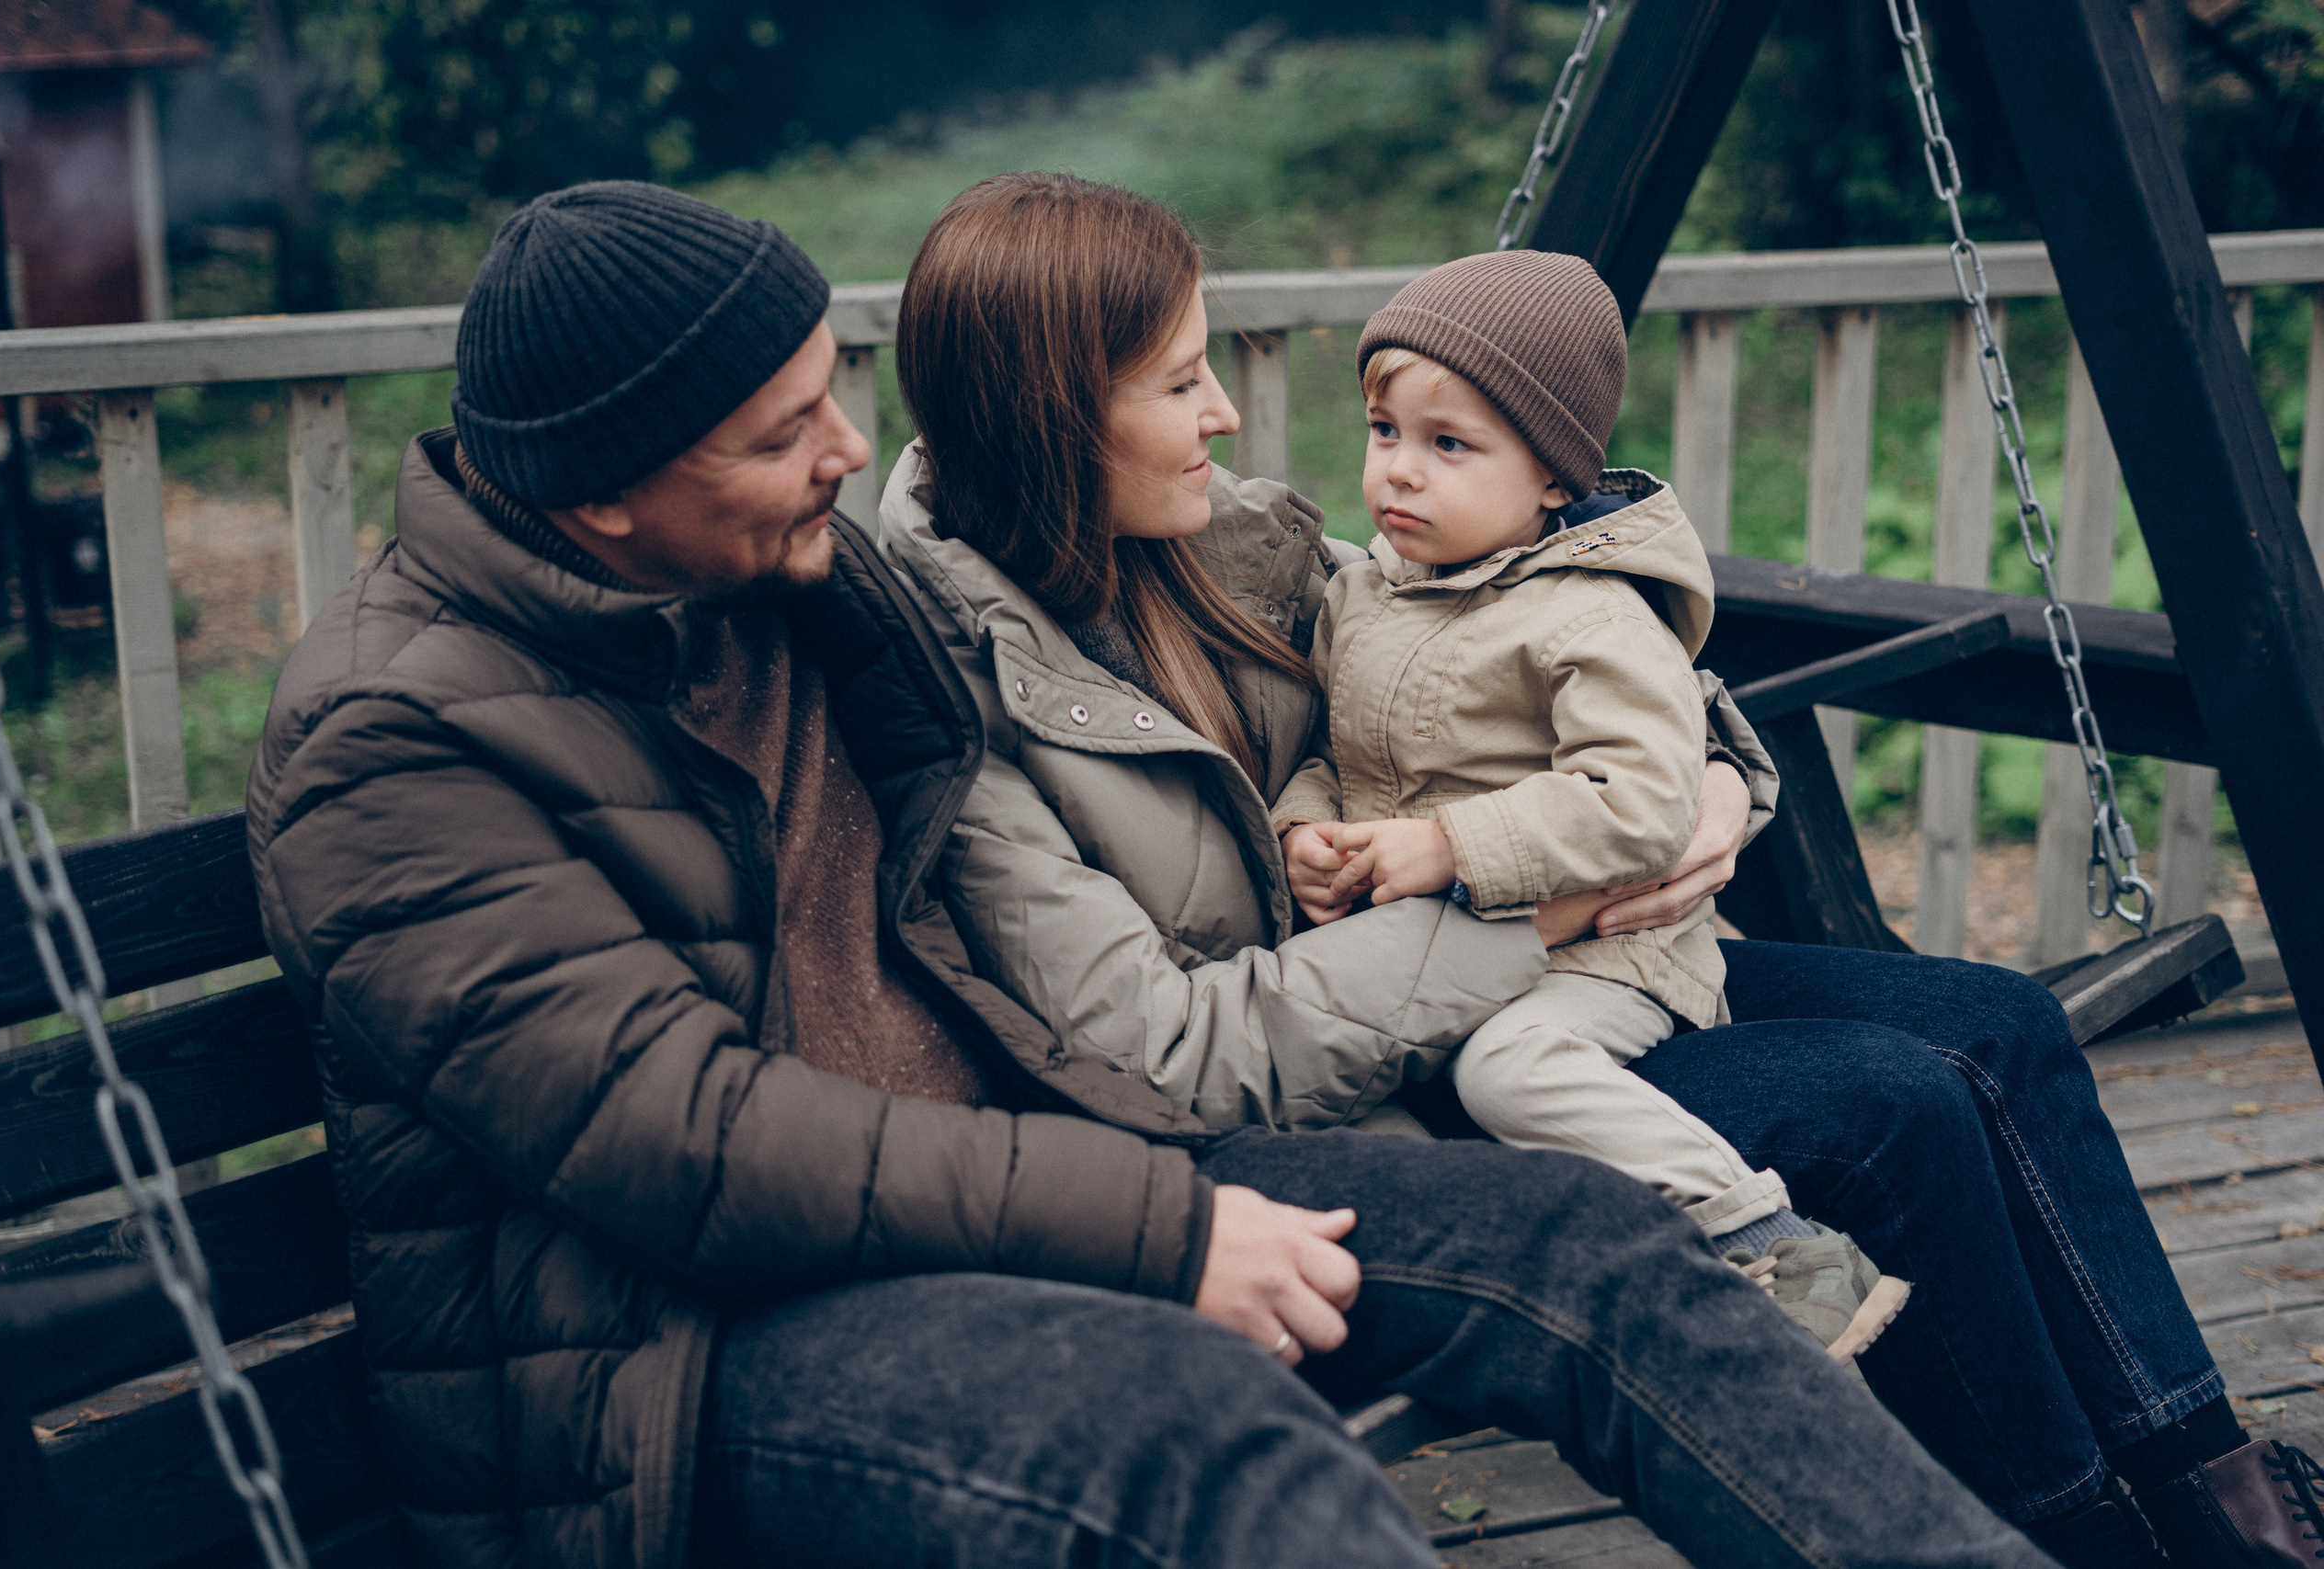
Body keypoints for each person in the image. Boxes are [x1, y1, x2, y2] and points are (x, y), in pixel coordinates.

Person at [246, 177, 2051, 1569]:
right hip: (681, 1360)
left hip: (1034, 1160)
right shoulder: (393, 753)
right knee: (1187, 1421)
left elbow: (1480, 628)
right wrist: (1164, 1225)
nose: (850, 451)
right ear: (600, 491)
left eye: (835, 396)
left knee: (1582, 1236)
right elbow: (690, 1146)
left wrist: (1701, 769)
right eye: (782, 428)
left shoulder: (799, 579)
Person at [876, 170, 2324, 1569]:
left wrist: (1711, 781)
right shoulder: (967, 702)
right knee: (1899, 1110)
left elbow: (1500, 648)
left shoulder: (1223, 547)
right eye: (1182, 379)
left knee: (1993, 1020)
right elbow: (1172, 1052)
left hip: (1505, 943)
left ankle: (2225, 1504)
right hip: (1396, 1062)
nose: (1228, 410)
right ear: (1061, 414)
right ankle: (2074, 1534)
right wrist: (1534, 899)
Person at [1264, 248, 1907, 1366]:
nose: (1399, 474)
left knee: (1505, 1071)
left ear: (1553, 479)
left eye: (1448, 445)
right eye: (1385, 434)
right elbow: (1336, 748)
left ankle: (1768, 1240)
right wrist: (1305, 826)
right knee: (1340, 1106)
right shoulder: (1363, 595)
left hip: (1603, 961)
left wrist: (1447, 844)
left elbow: (1643, 802)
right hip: (1435, 947)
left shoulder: (1592, 618)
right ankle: (1476, 1298)